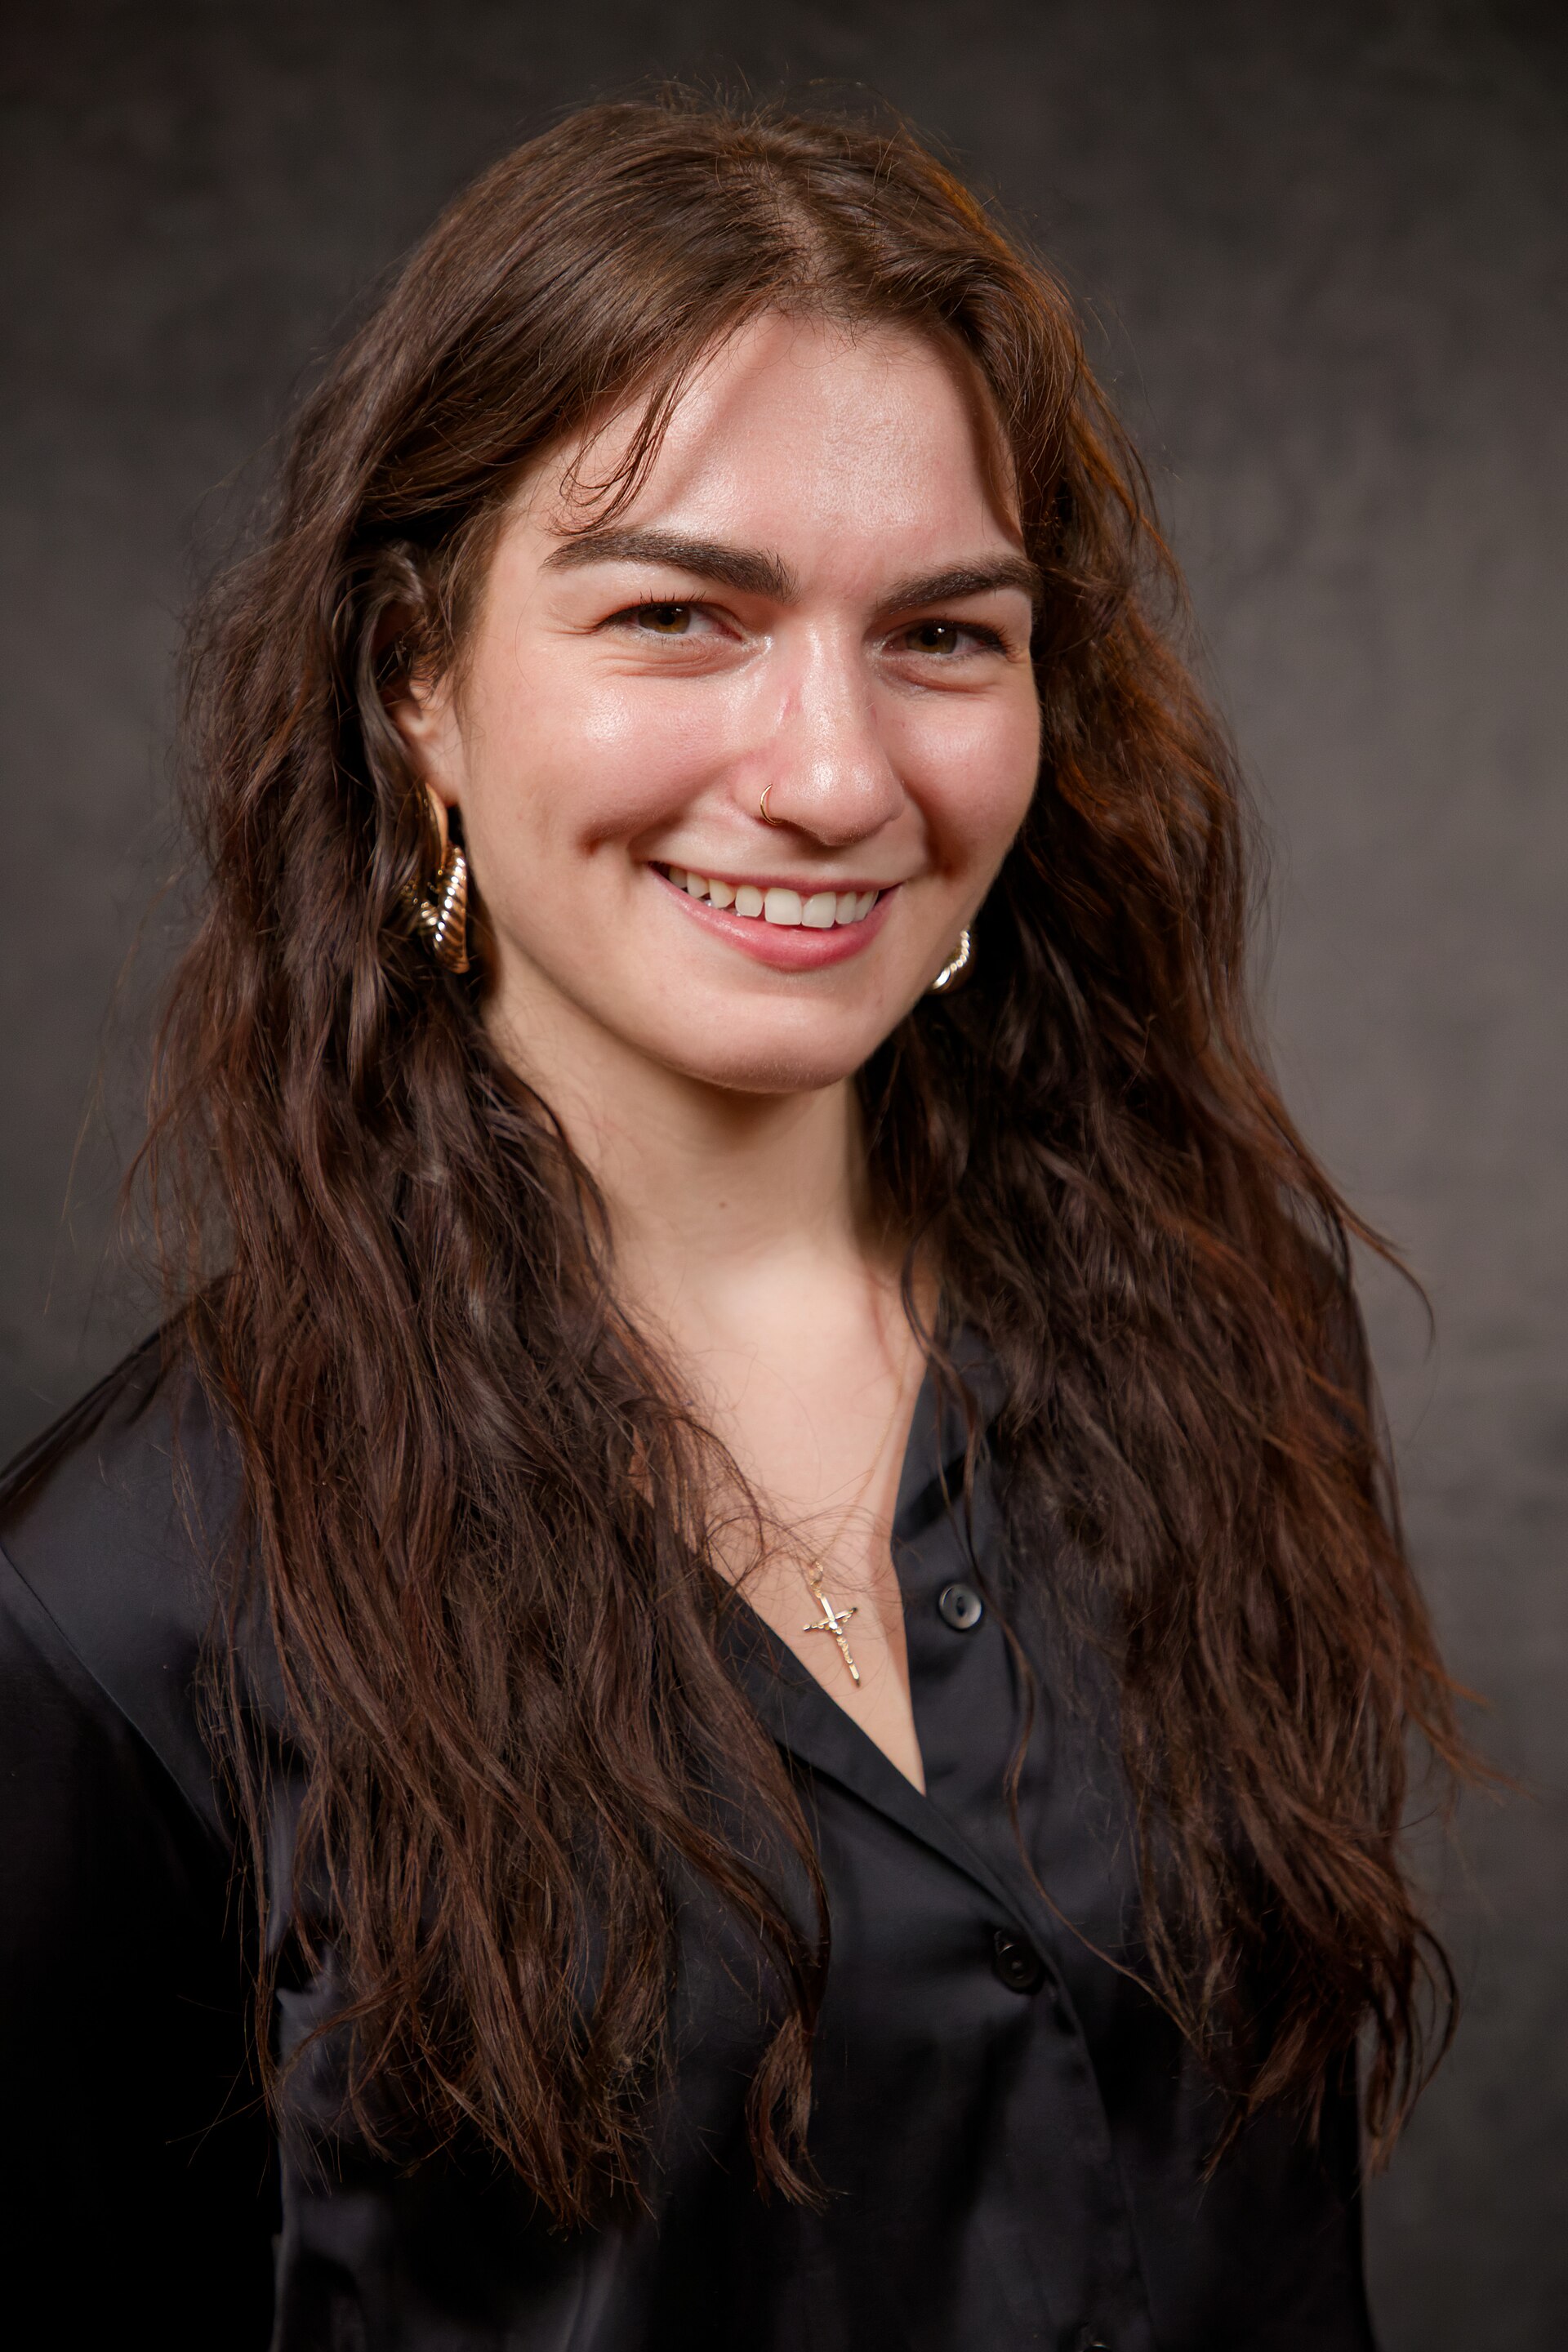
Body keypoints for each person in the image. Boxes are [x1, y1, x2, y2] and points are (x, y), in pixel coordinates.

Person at [0, 96, 1468, 2351]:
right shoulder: (107, 1615)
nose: (833, 773)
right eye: (685, 613)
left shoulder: (1238, 1334)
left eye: (948, 639)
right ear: (419, 693)